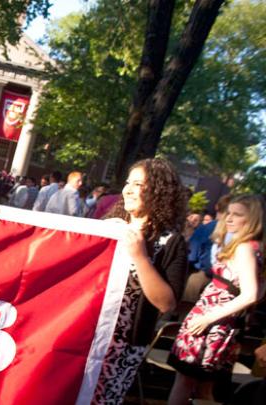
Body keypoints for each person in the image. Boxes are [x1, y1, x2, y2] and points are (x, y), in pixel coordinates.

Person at [92, 158, 188, 404]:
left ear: (158, 190)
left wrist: (140, 256)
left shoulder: (171, 242)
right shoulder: (109, 227)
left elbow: (166, 303)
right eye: (127, 182)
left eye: (138, 184)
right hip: (86, 333)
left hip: (124, 346)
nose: (128, 189)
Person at [167, 195, 263, 405]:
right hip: (219, 322)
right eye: (229, 213)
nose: (229, 218)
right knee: (202, 387)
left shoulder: (245, 247)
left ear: (252, 219)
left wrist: (208, 318)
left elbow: (251, 294)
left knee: (186, 382)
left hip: (213, 323)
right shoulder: (252, 247)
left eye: (238, 215)